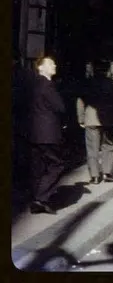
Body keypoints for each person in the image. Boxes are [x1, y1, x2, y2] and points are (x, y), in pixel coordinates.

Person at [28, 56, 65, 214]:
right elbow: (60, 107)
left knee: (39, 166)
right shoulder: (48, 86)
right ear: (41, 68)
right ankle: (41, 199)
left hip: (34, 133)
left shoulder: (32, 85)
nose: (54, 65)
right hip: (49, 133)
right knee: (57, 165)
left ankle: (36, 197)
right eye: (50, 63)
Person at [77, 61, 113, 184]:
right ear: (108, 71)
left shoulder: (87, 83)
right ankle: (107, 173)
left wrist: (81, 118)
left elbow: (80, 101)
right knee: (108, 146)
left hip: (90, 119)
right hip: (109, 120)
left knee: (92, 149)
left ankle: (95, 176)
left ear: (94, 70)